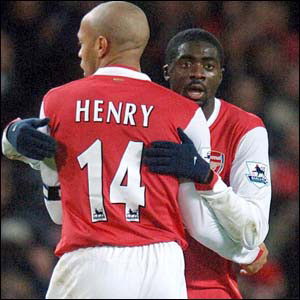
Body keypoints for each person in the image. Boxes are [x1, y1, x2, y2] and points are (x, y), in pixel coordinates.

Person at [1, 3, 265, 299]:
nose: (78, 52)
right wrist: (246, 251)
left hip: (92, 257)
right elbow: (198, 224)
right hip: (164, 269)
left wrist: (10, 135)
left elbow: (57, 211)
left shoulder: (58, 102)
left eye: (81, 42)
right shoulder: (185, 115)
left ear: (100, 45)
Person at [144, 28, 272, 298]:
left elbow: (253, 225)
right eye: (186, 63)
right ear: (167, 71)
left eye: (208, 66)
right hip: (143, 281)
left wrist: (207, 177)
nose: (197, 73)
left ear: (220, 75)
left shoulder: (244, 129)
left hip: (208, 286)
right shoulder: (143, 119)